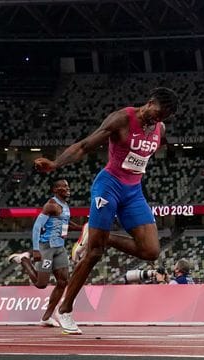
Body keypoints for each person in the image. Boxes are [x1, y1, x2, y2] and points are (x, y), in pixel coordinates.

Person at [33, 87, 179, 334]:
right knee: (94, 253)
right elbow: (84, 146)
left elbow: (143, 154)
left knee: (151, 250)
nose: (157, 120)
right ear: (149, 101)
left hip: (133, 192)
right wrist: (56, 164)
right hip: (108, 186)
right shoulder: (122, 119)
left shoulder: (160, 129)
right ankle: (65, 310)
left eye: (163, 118)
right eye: (156, 114)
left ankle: (100, 234)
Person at [7, 179, 83, 327]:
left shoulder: (65, 206)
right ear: (55, 190)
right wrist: (36, 249)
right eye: (64, 186)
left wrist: (83, 228)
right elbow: (37, 227)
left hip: (60, 248)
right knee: (41, 284)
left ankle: (46, 317)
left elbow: (66, 224)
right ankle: (24, 260)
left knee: (63, 282)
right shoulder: (51, 205)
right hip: (46, 247)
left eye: (68, 186)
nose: (68, 188)